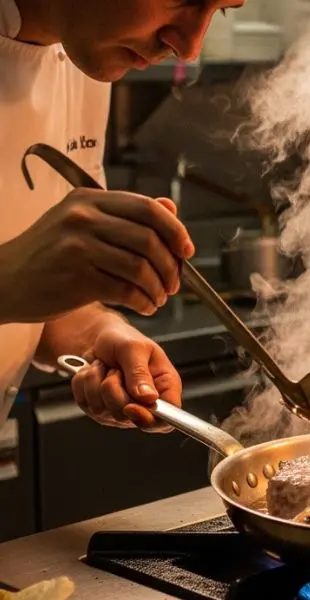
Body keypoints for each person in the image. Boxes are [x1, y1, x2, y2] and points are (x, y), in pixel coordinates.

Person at [0, 0, 243, 432]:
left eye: (220, 11)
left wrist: (98, 331)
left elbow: (39, 292)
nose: (189, 48)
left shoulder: (88, 50)